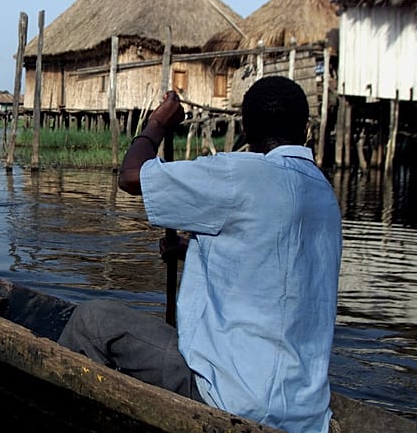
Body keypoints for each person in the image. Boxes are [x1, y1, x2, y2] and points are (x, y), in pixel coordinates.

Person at [58, 76, 342, 433]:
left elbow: (131, 177)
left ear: (245, 127)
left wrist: (157, 125)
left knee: (92, 320)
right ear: (305, 129)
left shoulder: (239, 173)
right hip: (306, 411)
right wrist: (191, 249)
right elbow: (275, 260)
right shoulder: (323, 193)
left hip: (233, 397)